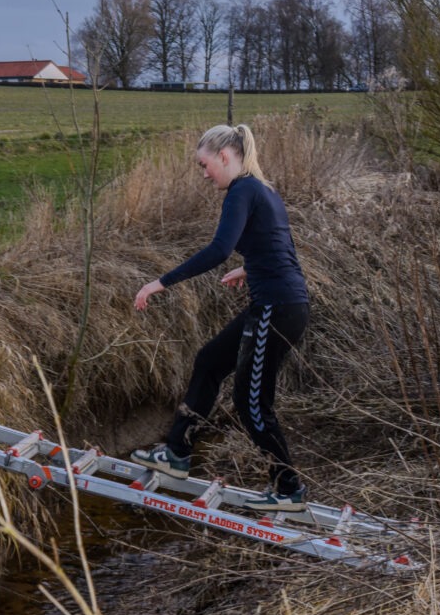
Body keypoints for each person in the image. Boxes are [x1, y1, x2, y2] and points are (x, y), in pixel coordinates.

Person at [131, 123, 310, 512]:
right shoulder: (263, 190)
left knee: (251, 403)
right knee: (210, 361)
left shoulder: (241, 190)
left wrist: (161, 282)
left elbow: (218, 250)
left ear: (224, 156)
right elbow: (282, 245)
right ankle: (177, 453)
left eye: (204, 164)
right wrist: (250, 268)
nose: (204, 173)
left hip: (276, 308)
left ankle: (288, 489)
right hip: (280, 303)